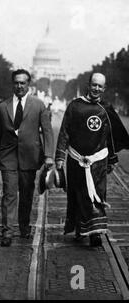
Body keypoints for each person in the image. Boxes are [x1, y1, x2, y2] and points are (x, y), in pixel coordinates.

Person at [55, 73, 129, 246]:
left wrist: (111, 159)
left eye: (100, 86)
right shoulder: (74, 106)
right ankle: (81, 230)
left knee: (97, 195)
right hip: (76, 160)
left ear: (104, 89)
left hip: (98, 162)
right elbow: (64, 131)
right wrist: (60, 156)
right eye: (94, 85)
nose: (96, 89)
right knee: (78, 194)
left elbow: (110, 136)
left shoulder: (106, 109)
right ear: (89, 85)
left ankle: (95, 233)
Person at [0, 69, 54, 247]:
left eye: (23, 83)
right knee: (9, 194)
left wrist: (49, 155)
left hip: (30, 157)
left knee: (26, 195)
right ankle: (7, 232)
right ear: (13, 84)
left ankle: (24, 226)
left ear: (28, 85)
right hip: (8, 158)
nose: (19, 86)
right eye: (16, 83)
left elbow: (47, 131)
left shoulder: (39, 105)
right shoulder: (2, 107)